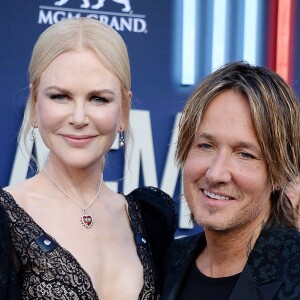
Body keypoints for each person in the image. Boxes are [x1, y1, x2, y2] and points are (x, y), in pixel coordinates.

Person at [0, 17, 175, 299]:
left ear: (124, 109)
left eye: (98, 99)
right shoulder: (6, 217)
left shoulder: (148, 220)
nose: (79, 118)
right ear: (34, 104)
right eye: (60, 96)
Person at [162, 61, 300, 300]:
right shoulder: (167, 262)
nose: (216, 174)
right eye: (206, 146)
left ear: (280, 173)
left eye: (245, 154)